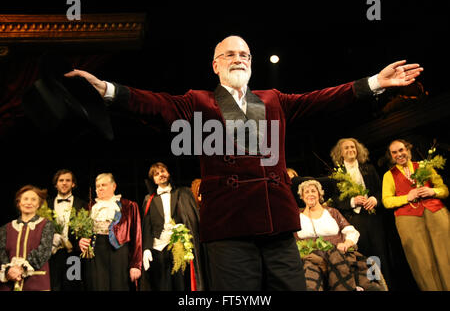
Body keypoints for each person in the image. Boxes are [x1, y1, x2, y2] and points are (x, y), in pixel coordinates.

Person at [66, 35, 423, 290]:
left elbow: (323, 99)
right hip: (230, 229)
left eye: (245, 54)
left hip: (278, 227)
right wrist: (107, 90)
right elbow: (154, 104)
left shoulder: (272, 99)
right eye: (231, 54)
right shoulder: (199, 101)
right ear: (216, 64)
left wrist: (375, 81)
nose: (239, 58)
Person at [382, 139, 450, 291]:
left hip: (435, 212)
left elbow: (443, 189)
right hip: (408, 218)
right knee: (423, 261)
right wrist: (407, 196)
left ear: (408, 149)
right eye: (394, 152)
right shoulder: (389, 175)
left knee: (446, 254)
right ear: (391, 156)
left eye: (401, 150)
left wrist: (433, 191)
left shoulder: (424, 166)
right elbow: (386, 201)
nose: (399, 154)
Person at [295, 180, 385, 291]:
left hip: (338, 254)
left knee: (338, 257)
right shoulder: (297, 217)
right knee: (310, 276)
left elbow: (350, 231)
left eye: (313, 191)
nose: (310, 194)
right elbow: (294, 243)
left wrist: (347, 243)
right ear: (302, 197)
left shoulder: (332, 212)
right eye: (306, 192)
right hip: (313, 258)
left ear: (319, 194)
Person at [329, 138, 391, 286]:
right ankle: (372, 285)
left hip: (372, 217)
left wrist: (375, 200)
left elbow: (379, 190)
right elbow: (334, 200)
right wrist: (352, 202)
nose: (350, 149)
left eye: (353, 147)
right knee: (365, 254)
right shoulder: (336, 174)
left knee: (379, 252)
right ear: (340, 153)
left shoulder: (368, 168)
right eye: (346, 148)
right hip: (354, 220)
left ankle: (384, 285)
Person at [141, 162, 205, 291]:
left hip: (179, 245)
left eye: (163, 171)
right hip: (158, 247)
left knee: (181, 284)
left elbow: (191, 218)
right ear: (153, 179)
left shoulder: (183, 193)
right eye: (156, 174)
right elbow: (147, 226)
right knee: (163, 285)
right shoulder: (149, 199)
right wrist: (146, 248)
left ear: (168, 173)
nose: (161, 175)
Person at [79, 173, 142, 291]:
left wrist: (136, 265)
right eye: (97, 186)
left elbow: (137, 236)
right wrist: (81, 240)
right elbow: (82, 231)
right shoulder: (89, 207)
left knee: (119, 285)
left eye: (104, 185)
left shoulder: (129, 206)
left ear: (114, 186)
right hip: (96, 251)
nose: (100, 188)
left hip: (119, 252)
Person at [0, 185, 54, 291]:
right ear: (19, 203)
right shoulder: (5, 228)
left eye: (33, 200)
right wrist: (9, 271)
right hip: (9, 284)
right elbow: (1, 253)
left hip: (36, 282)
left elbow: (44, 251)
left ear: (39, 204)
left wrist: (21, 268)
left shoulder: (46, 225)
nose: (29, 202)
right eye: (25, 199)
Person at [47, 169, 87, 291]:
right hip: (52, 255)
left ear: (73, 184)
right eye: (61, 180)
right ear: (56, 184)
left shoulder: (82, 205)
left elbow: (86, 230)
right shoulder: (46, 205)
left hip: (73, 255)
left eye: (68, 180)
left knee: (73, 286)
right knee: (53, 287)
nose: (64, 183)